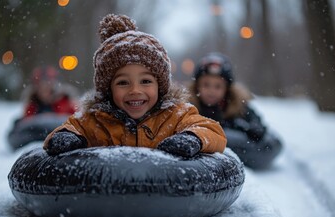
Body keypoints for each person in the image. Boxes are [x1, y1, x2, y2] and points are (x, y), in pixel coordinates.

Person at [43, 14, 227, 157]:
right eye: (123, 83)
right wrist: (68, 137)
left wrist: (192, 138)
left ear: (160, 85)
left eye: (146, 81)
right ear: (108, 89)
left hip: (162, 192)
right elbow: (70, 127)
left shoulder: (176, 115)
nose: (135, 91)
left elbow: (211, 130)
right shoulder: (95, 120)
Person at [190, 52, 266, 142]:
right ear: (197, 86)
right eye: (206, 85)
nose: (211, 91)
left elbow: (258, 128)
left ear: (227, 89)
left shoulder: (238, 107)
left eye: (218, 86)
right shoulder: (188, 107)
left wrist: (237, 126)